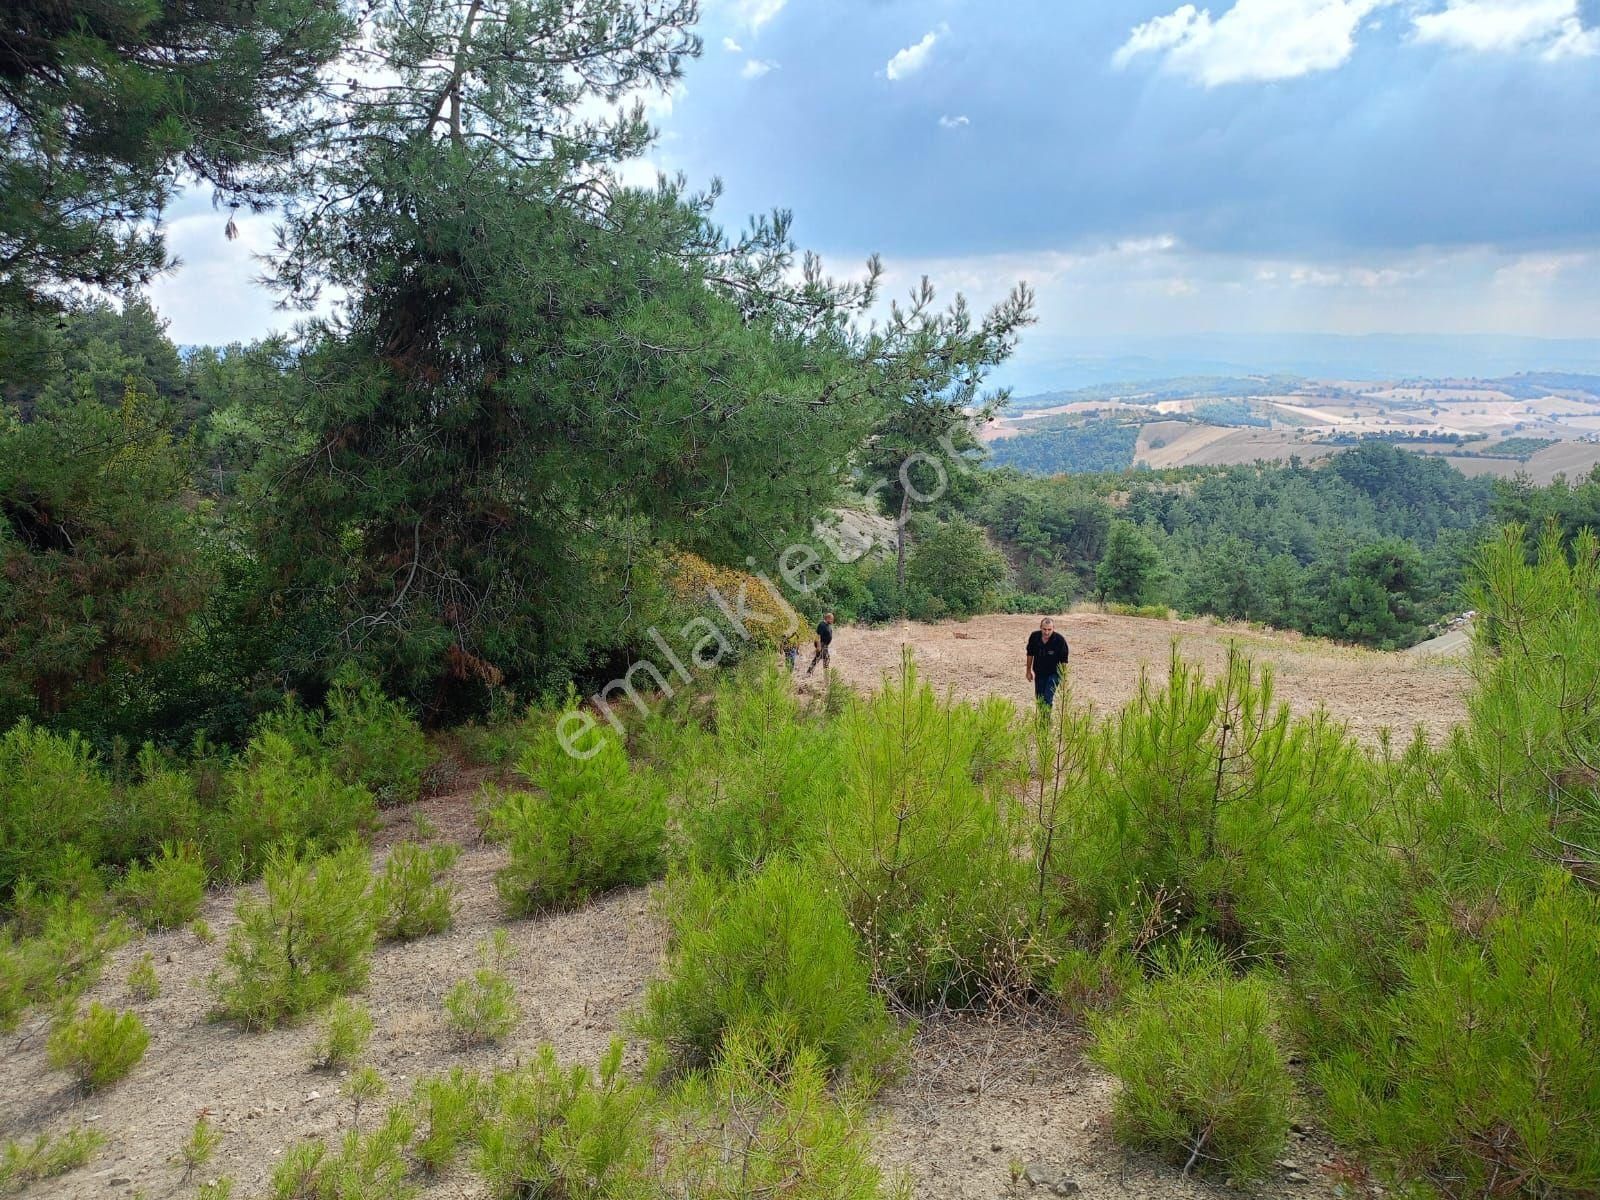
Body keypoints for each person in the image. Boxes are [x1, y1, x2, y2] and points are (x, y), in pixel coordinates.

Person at [1025, 616, 1069, 709]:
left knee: (1047, 698)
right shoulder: (1034, 637)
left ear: (1053, 628)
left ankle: (1046, 722)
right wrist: (1028, 671)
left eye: (1049, 629)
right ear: (1040, 627)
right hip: (1039, 672)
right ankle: (1042, 721)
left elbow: (1064, 661)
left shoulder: (1059, 640)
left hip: (1054, 674)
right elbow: (1030, 654)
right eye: (1044, 629)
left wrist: (1063, 678)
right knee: (1039, 699)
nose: (1046, 632)